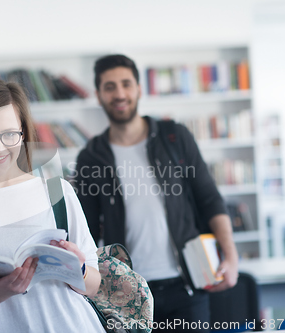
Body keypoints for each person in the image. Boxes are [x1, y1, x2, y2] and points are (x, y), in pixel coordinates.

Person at [73, 54, 239, 332]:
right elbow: (85, 230)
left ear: (139, 88)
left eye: (126, 84)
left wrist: (231, 257)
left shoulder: (174, 137)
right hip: (127, 295)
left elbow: (209, 199)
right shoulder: (91, 157)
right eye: (110, 87)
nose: (120, 93)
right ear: (99, 95)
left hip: (187, 287)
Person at [0, 80, 105, 333]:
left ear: (23, 133)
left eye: (9, 134)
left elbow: (94, 284)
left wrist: (78, 268)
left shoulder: (57, 191)